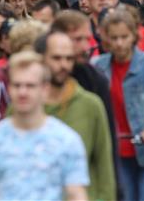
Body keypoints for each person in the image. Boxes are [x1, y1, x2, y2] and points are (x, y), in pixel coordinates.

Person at [0, 52, 89, 201]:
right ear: (9, 88)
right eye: (17, 85)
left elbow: (76, 194)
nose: (22, 92)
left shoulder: (67, 141)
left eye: (30, 86)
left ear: (45, 89)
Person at [94, 8, 144, 201]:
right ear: (106, 38)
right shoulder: (98, 67)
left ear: (134, 36)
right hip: (117, 151)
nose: (119, 43)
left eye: (124, 36)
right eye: (114, 38)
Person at [36, 32, 116, 201]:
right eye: (56, 58)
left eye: (68, 59)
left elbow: (104, 162)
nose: (63, 65)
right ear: (42, 60)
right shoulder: (25, 105)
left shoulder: (91, 105)